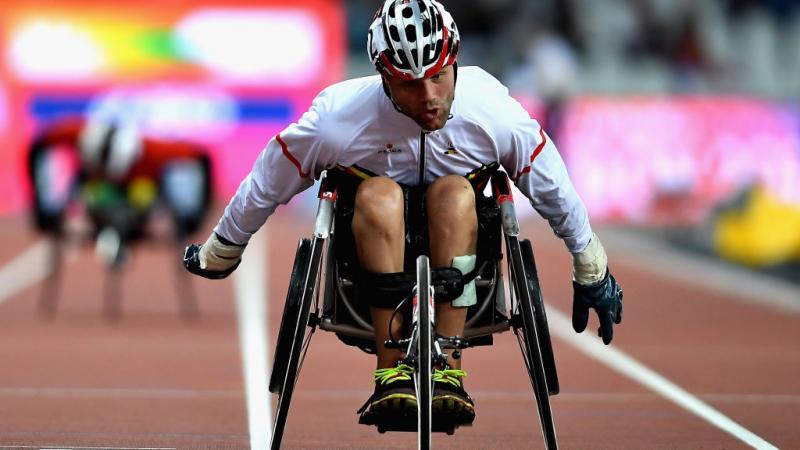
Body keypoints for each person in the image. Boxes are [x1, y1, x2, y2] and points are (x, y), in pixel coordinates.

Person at [184, 0, 623, 429]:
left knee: (453, 193)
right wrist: (224, 246)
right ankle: (391, 371)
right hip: (367, 249)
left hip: (465, 241)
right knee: (379, 195)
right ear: (384, 79)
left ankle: (447, 367)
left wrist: (591, 265)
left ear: (454, 60)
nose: (429, 97)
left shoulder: (492, 112)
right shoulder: (338, 118)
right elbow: (269, 177)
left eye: (438, 78)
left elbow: (551, 185)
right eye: (410, 85)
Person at [28, 116, 212, 265]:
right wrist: (41, 205)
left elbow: (201, 157)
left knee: (146, 192)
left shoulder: (152, 149)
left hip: (140, 194)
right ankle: (108, 229)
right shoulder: (75, 133)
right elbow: (37, 145)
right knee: (85, 188)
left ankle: (124, 232)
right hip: (95, 191)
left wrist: (196, 213)